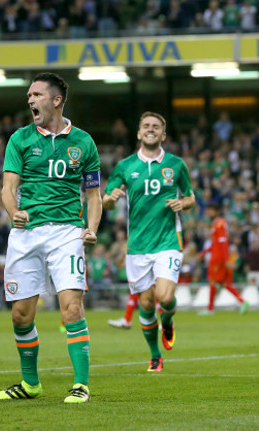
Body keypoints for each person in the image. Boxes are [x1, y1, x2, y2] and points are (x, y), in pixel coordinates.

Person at [0, 72, 101, 404]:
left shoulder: (83, 141)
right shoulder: (20, 139)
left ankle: (80, 384)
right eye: (29, 95)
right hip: (26, 234)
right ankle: (30, 384)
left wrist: (92, 227)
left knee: (72, 308)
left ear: (56, 100)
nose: (29, 100)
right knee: (21, 315)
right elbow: (8, 189)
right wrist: (13, 212)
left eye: (36, 94)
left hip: (66, 231)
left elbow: (94, 195)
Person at [103, 111, 195, 373]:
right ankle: (155, 355)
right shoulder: (125, 166)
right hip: (138, 246)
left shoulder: (177, 165)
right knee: (145, 303)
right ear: (139, 133)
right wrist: (111, 199)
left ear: (163, 134)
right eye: (146, 126)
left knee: (164, 298)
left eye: (156, 126)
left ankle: (167, 321)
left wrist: (183, 204)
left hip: (168, 240)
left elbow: (190, 197)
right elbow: (107, 201)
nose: (151, 129)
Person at [199, 203, 249, 315]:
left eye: (210, 210)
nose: (208, 213)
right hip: (218, 256)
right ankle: (242, 301)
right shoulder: (218, 223)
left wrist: (225, 259)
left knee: (212, 281)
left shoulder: (219, 224)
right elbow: (216, 243)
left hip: (218, 258)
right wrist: (204, 252)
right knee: (224, 283)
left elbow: (222, 243)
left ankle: (210, 309)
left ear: (216, 211)